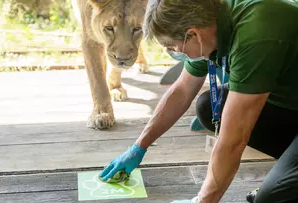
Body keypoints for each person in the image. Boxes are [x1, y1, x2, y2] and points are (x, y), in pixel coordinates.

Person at [99, 0, 298, 202]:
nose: (178, 53)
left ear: (193, 34)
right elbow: (182, 90)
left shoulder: (257, 33)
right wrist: (139, 146)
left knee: (272, 198)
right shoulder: (210, 21)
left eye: (174, 47)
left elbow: (234, 138)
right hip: (291, 102)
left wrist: (203, 200)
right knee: (209, 107)